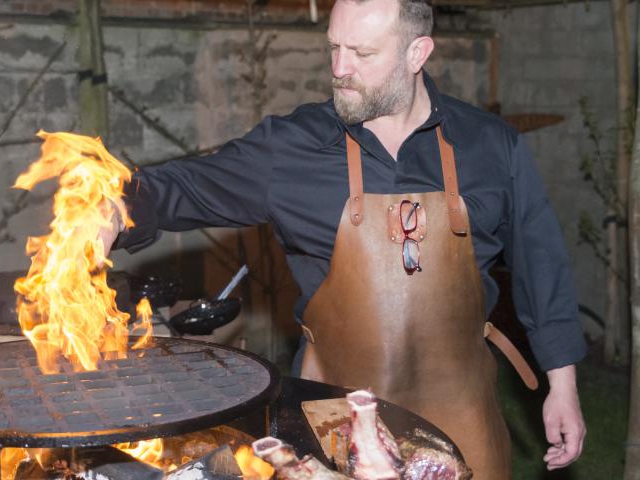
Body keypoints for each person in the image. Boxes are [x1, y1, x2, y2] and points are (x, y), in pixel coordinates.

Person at [102, 0, 587, 477]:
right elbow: (181, 188)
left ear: (417, 54)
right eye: (333, 47)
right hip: (333, 418)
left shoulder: (491, 145)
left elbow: (540, 264)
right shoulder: (291, 148)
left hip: (463, 412)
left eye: (362, 53)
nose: (339, 68)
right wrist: (113, 209)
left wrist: (561, 385)